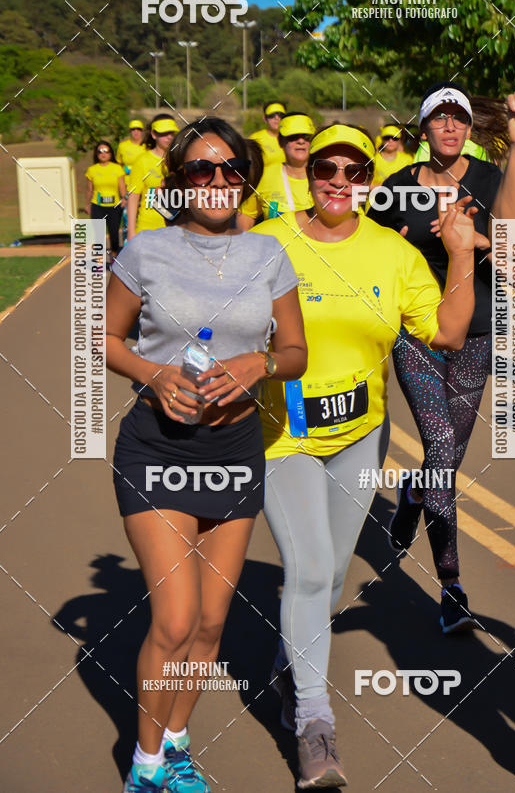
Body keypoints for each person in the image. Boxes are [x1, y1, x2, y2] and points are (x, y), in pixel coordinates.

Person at [253, 122, 478, 787]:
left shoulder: (392, 254)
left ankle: (295, 656)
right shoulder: (268, 242)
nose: (340, 184)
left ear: (370, 183)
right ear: (311, 170)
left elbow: (446, 331)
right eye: (329, 169)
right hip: (281, 437)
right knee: (312, 562)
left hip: (360, 435)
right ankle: (314, 724)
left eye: (355, 173)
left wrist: (461, 254)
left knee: (329, 579)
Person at [107, 116, 307, 793]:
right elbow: (105, 340)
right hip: (157, 450)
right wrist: (153, 374)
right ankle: (144, 766)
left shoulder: (269, 255)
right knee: (176, 618)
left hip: (234, 449)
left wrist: (261, 362)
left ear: (246, 180)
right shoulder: (145, 252)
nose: (217, 180)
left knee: (213, 624)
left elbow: (295, 353)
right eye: (201, 168)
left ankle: (177, 743)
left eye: (230, 169)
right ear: (180, 181)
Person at [368, 58, 515, 633]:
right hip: (419, 334)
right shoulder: (395, 189)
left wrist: (474, 239)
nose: (449, 128)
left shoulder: (491, 179)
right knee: (443, 449)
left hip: (480, 331)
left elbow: (513, 245)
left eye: (458, 119)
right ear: (422, 129)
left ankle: (411, 490)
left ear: (470, 129)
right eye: (438, 119)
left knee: (441, 459)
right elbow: (368, 252)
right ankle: (452, 584)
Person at [237, 112, 315, 228]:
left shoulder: (329, 175)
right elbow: (246, 214)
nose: (301, 141)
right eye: (293, 136)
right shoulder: (263, 176)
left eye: (306, 137)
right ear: (280, 141)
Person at [126, 114, 178, 239]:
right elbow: (133, 198)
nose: (169, 137)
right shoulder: (142, 161)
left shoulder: (181, 159)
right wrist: (131, 232)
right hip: (148, 229)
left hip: (177, 229)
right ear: (154, 134)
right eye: (163, 133)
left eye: (171, 132)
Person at [85, 141, 126, 260]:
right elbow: (89, 189)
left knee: (114, 234)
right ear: (96, 154)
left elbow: (122, 187)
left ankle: (114, 257)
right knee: (98, 235)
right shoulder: (92, 170)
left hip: (114, 206)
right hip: (97, 206)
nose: (103, 154)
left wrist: (124, 198)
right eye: (100, 151)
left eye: (106, 151)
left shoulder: (117, 168)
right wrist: (87, 205)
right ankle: (98, 262)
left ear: (110, 153)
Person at [249, 101, 287, 167]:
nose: (276, 118)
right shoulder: (255, 139)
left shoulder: (293, 138)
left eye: (280, 115)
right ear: (265, 119)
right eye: (272, 115)